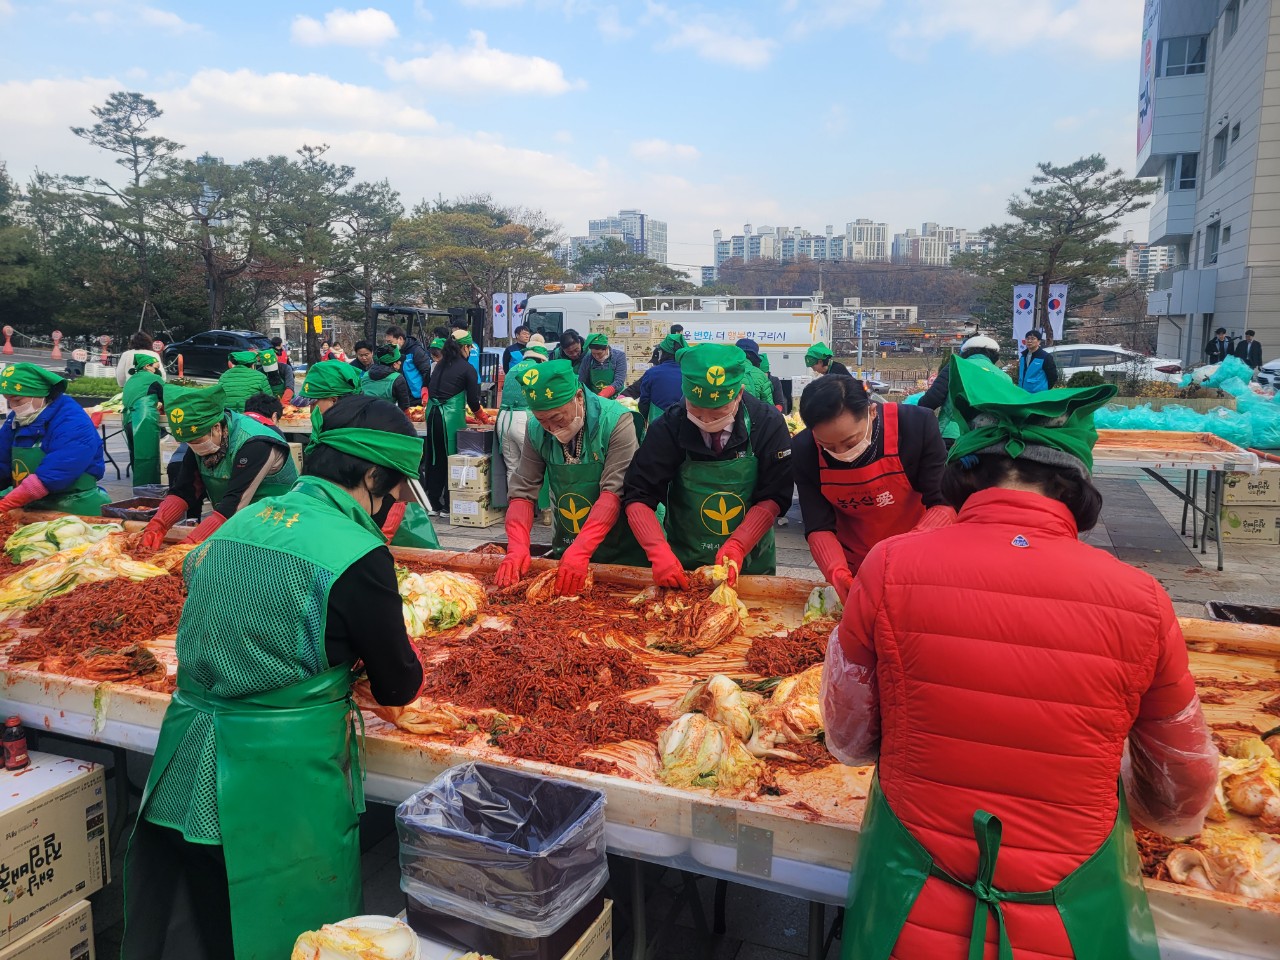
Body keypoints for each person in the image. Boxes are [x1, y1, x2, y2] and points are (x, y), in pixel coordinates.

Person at [823, 362, 1218, 960]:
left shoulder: (889, 566)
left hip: (909, 908)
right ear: (1074, 483)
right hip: (1071, 919)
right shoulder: (1143, 600)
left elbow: (848, 736)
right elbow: (1182, 797)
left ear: (967, 473)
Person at [121, 394, 426, 960]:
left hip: (188, 761)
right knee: (294, 935)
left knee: (216, 920)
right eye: (399, 482)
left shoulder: (240, 523)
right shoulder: (359, 553)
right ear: (372, 473)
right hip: (275, 785)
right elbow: (399, 685)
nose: (401, 496)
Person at [624, 344, 793, 586]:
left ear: (738, 394)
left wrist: (739, 544)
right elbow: (638, 493)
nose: (705, 421)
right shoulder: (669, 425)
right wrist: (658, 552)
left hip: (750, 560)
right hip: (685, 562)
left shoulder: (767, 423)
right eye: (696, 410)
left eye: (717, 414)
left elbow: (775, 493)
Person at [793, 375, 953, 600]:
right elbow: (819, 525)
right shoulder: (804, 449)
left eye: (850, 442)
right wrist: (837, 574)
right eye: (828, 446)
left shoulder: (915, 426)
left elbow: (943, 502)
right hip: (855, 563)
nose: (841, 454)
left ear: (872, 412)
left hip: (916, 553)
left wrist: (903, 552)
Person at [497, 359, 644, 594]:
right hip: (569, 542)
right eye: (543, 420)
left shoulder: (616, 421)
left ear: (577, 397)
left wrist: (582, 549)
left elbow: (613, 491)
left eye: (556, 419)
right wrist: (517, 545)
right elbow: (523, 490)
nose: (551, 428)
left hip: (623, 547)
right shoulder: (536, 429)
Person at [141, 384, 299, 547]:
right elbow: (185, 489)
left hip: (274, 526)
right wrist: (158, 525)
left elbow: (234, 503)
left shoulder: (255, 443)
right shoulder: (201, 442)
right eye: (189, 442)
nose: (194, 447)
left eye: (197, 441)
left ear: (216, 427)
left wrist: (190, 544)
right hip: (236, 525)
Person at [0, 363, 108, 515]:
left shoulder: (72, 420)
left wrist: (6, 504)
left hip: (75, 506)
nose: (13, 406)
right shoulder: (18, 419)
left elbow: (57, 471)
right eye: (8, 400)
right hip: (31, 503)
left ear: (39, 393)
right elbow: (2, 459)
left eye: (17, 400)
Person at [424, 329, 490, 513]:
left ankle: (432, 502)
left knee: (435, 458)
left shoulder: (439, 365)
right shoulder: (467, 369)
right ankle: (449, 505)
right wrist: (483, 418)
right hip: (449, 417)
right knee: (452, 459)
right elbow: (473, 401)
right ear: (465, 347)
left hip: (432, 415)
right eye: (469, 347)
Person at [918, 335, 1009, 447]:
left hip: (955, 435)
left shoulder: (956, 366)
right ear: (995, 356)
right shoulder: (1004, 377)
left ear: (965, 352)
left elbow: (932, 400)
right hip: (992, 437)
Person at [497, 335, 548, 494]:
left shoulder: (513, 369)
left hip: (503, 420)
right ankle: (539, 509)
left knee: (512, 467)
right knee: (534, 466)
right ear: (541, 358)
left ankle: (514, 507)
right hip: (523, 420)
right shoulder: (539, 370)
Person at [122, 354, 166, 486]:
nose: (156, 370)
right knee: (148, 458)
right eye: (155, 367)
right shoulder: (154, 378)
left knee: (136, 458)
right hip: (143, 419)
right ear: (147, 366)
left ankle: (138, 492)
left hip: (128, 419)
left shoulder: (130, 380)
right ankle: (149, 495)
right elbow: (167, 395)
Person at [637, 332, 687, 423]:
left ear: (663, 353)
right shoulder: (689, 373)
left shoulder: (652, 373)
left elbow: (644, 402)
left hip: (658, 427)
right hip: (685, 426)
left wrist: (642, 423)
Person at [384, 325, 432, 406]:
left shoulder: (416, 351)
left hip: (418, 396)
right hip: (403, 396)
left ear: (400, 339)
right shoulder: (393, 353)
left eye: (390, 342)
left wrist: (426, 393)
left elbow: (427, 372)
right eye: (387, 342)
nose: (388, 345)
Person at [360, 343, 412, 412]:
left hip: (363, 415)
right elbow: (404, 407)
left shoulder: (366, 374)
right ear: (394, 364)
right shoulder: (397, 378)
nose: (400, 363)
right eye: (399, 361)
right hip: (385, 417)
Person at [578, 333, 627, 398]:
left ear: (606, 348)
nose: (596, 356)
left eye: (599, 353)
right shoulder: (588, 358)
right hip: (595, 398)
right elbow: (582, 380)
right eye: (593, 353)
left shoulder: (619, 356)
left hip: (616, 397)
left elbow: (619, 381)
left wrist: (604, 393)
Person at [735, 338, 778, 406]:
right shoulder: (761, 375)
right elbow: (768, 407)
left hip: (727, 416)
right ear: (754, 357)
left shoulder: (725, 371)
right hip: (753, 415)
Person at [1017, 328, 1059, 393]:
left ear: (1039, 341)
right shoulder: (1023, 356)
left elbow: (1053, 376)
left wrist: (1044, 389)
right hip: (1022, 393)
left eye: (1033, 338)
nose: (1029, 341)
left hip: (1038, 395)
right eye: (1027, 338)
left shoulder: (1045, 357)